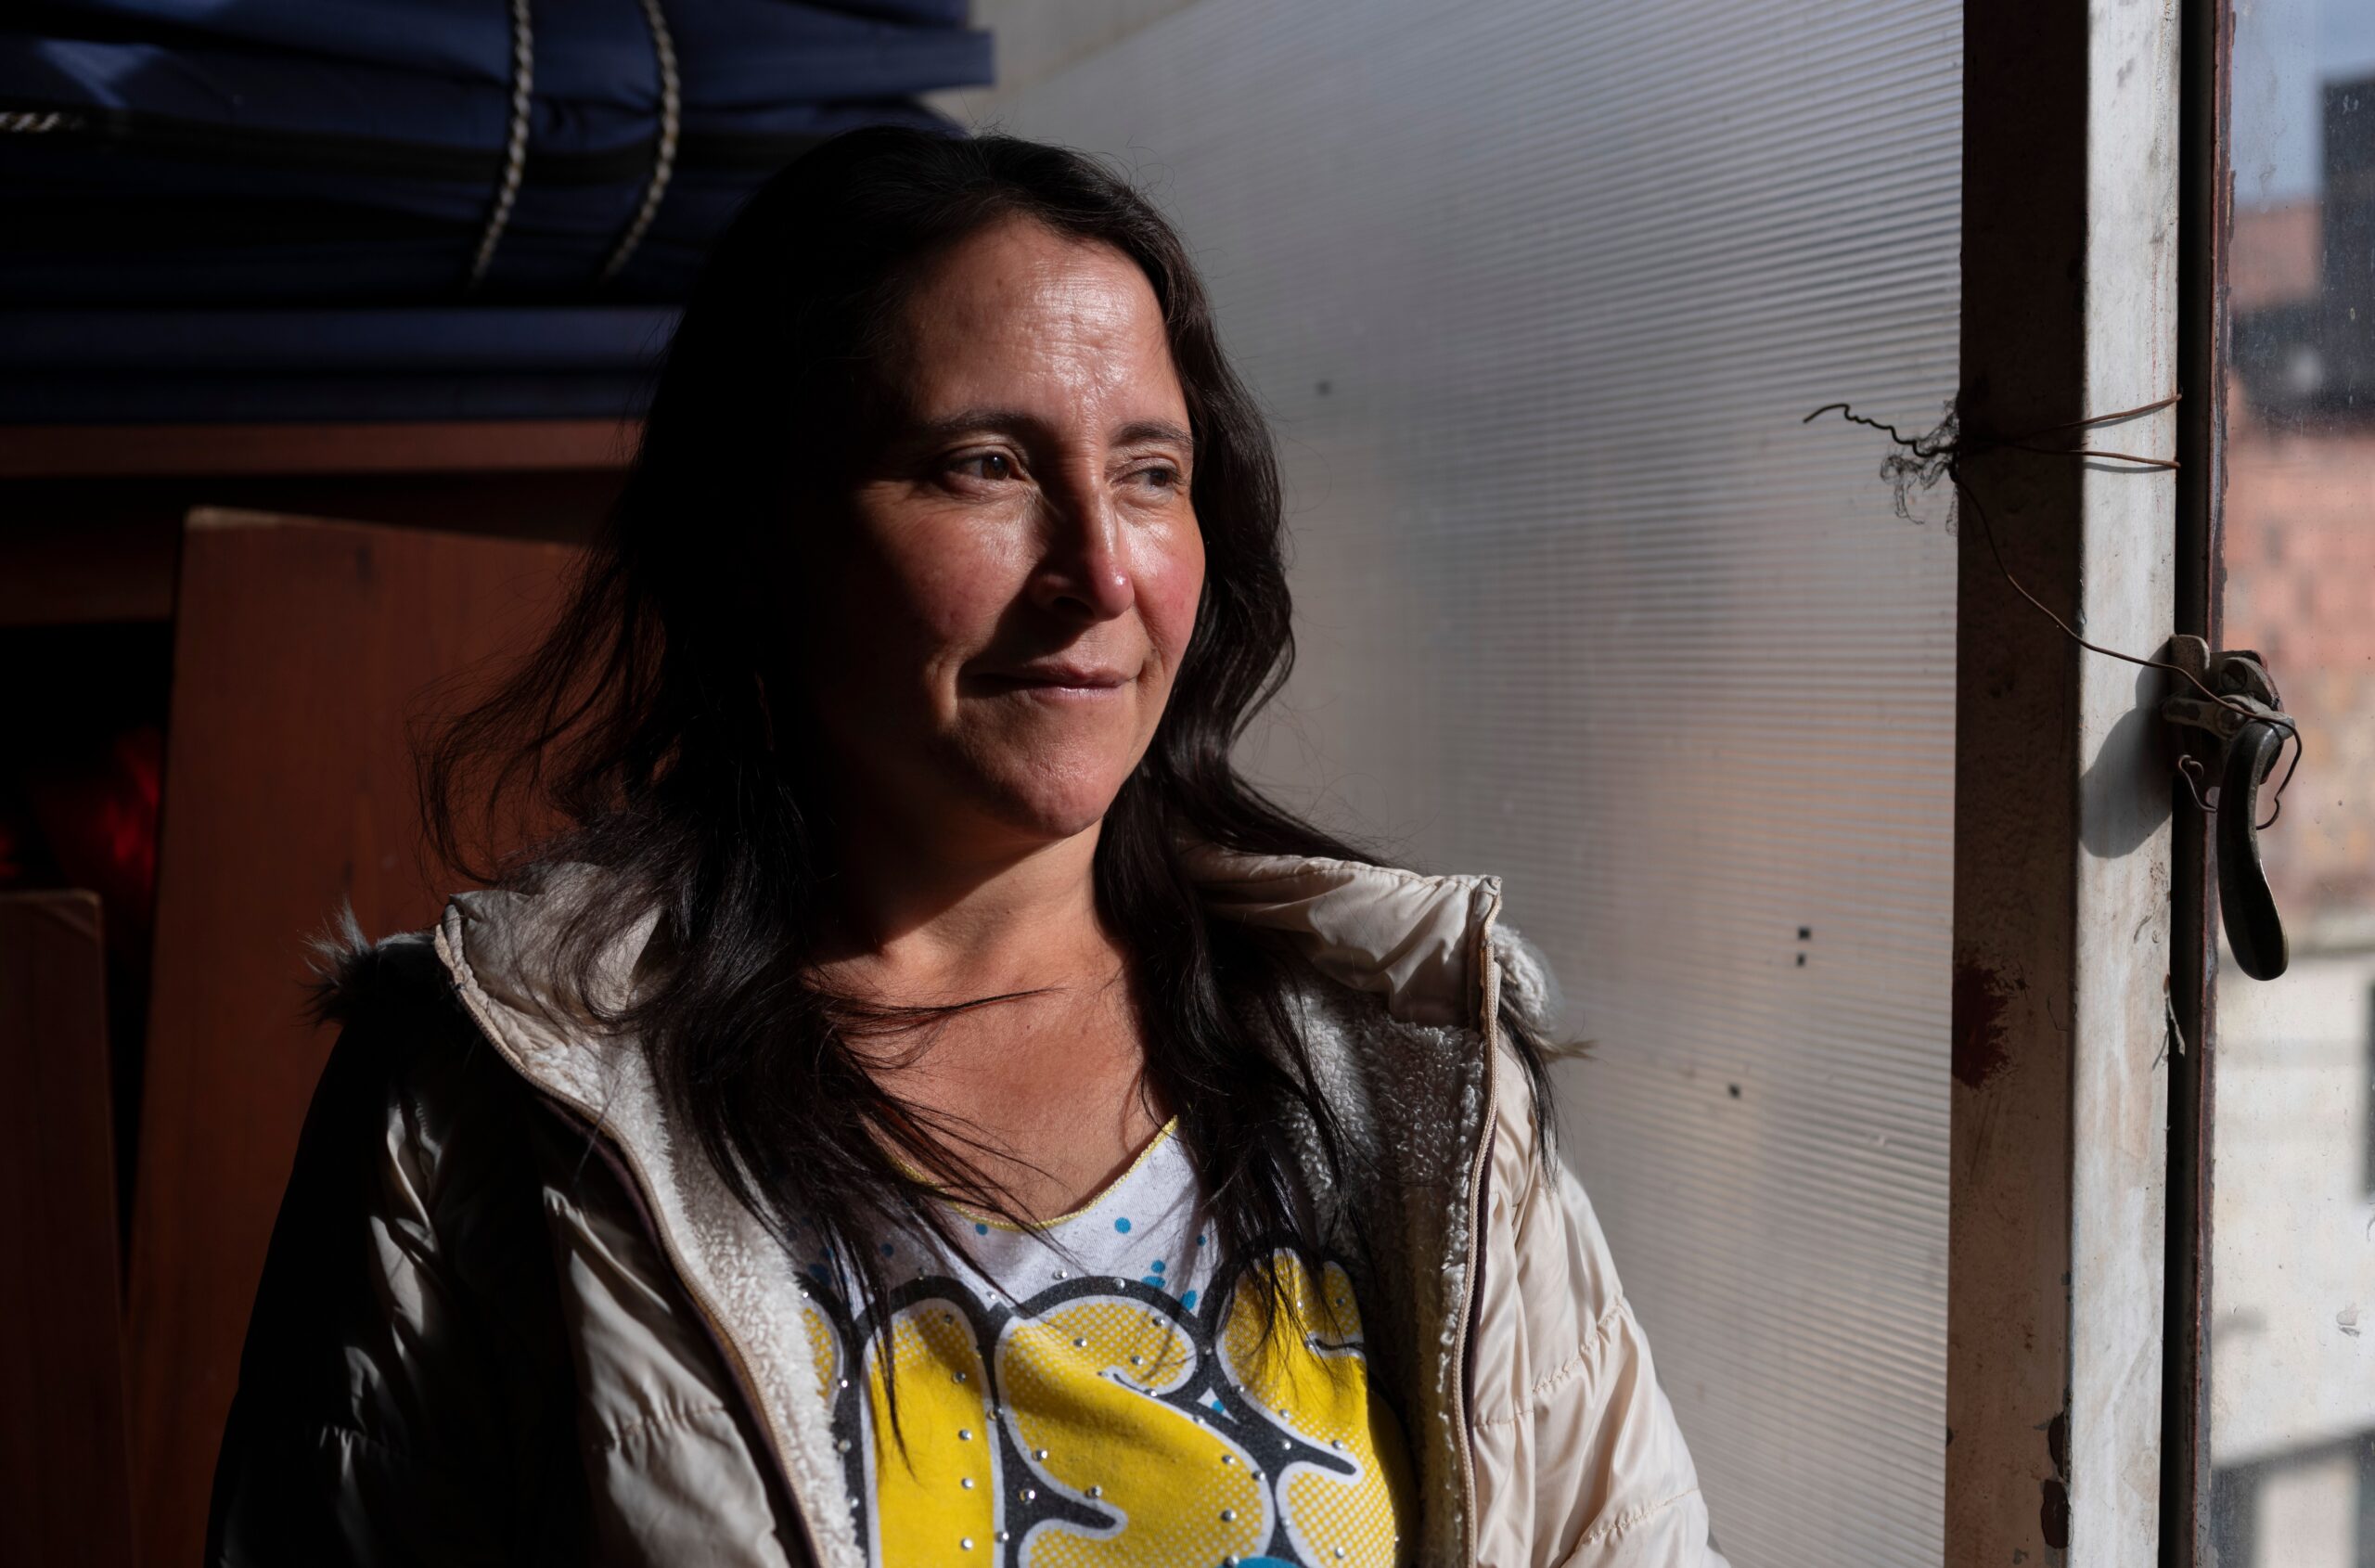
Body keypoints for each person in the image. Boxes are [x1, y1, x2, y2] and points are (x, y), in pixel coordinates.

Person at [207, 127, 1727, 1568]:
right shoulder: (491, 1098)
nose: (1099, 569)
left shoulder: (1402, 1066)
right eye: (984, 465)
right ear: (759, 533)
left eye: (1149, 472)